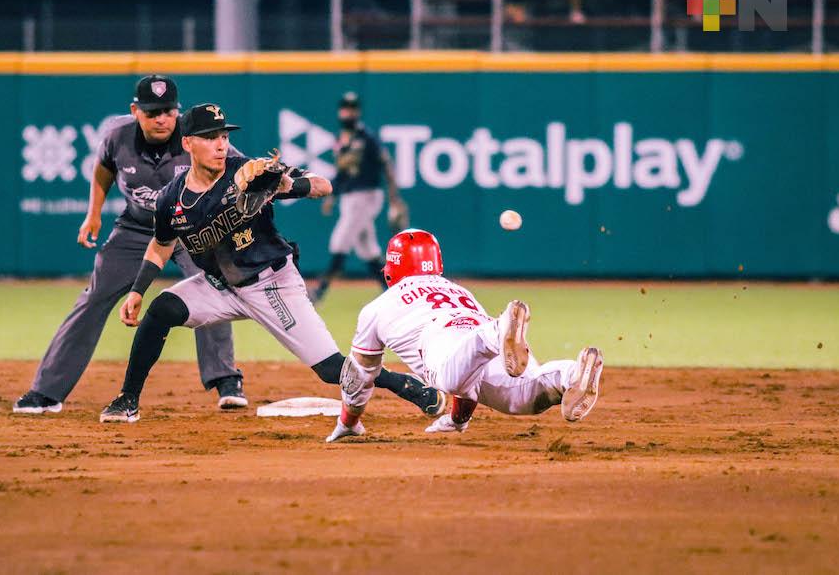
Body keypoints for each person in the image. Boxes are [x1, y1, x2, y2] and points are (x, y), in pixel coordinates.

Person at [98, 103, 446, 423]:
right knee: (162, 310)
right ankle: (127, 399)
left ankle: (406, 385)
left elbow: (322, 186)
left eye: (223, 136)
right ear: (188, 143)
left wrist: (283, 182)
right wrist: (137, 292)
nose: (220, 145)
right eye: (210, 138)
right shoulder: (171, 197)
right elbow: (161, 245)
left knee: (329, 368)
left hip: (271, 283)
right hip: (221, 287)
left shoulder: (248, 173)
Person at [13, 76, 246, 415]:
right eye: (152, 112)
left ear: (177, 111)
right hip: (136, 228)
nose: (162, 119)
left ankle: (226, 379)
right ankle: (47, 391)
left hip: (192, 230)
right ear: (135, 111)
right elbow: (103, 169)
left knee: (211, 284)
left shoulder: (196, 136)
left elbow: (243, 169)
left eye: (168, 111)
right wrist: (93, 214)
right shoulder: (116, 138)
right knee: (94, 297)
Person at [325, 229, 604, 443]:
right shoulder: (459, 291)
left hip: (444, 335)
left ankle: (499, 330)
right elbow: (468, 376)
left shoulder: (378, 307)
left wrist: (349, 422)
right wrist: (456, 420)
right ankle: (571, 375)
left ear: (392, 268)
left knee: (447, 377)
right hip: (476, 329)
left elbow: (358, 374)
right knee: (524, 397)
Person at [312, 92, 407, 303]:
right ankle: (393, 291)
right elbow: (342, 173)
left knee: (340, 241)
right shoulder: (341, 140)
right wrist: (331, 196)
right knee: (368, 249)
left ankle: (320, 290)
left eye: (352, 108)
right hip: (349, 198)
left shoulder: (367, 138)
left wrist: (395, 199)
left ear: (358, 112)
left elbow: (387, 166)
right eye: (345, 108)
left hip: (367, 196)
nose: (347, 112)